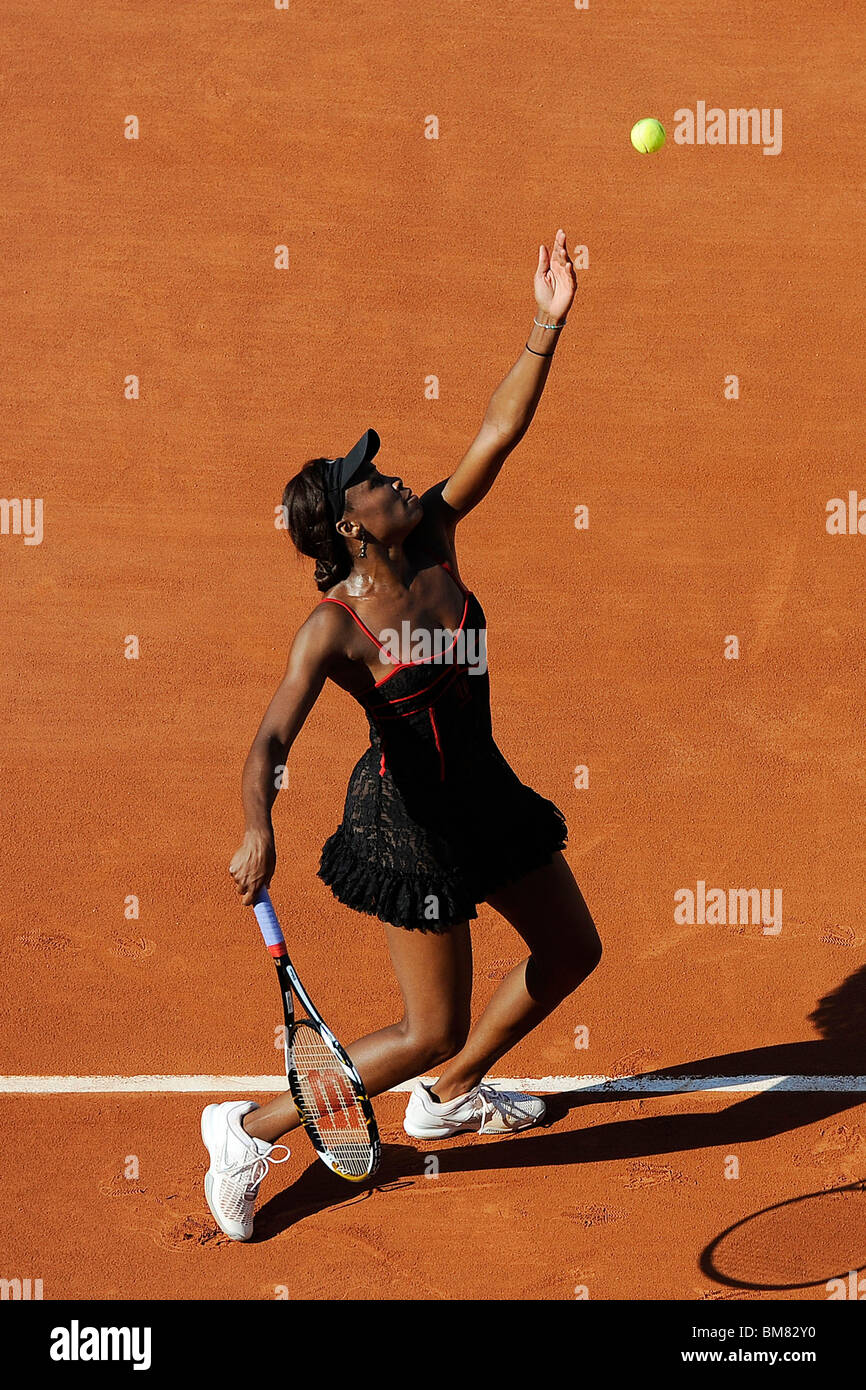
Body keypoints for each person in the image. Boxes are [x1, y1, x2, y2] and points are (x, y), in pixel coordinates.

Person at [203, 229, 602, 1240]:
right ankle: (246, 1128)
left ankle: (451, 1095)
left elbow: (496, 433)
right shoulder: (331, 629)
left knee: (568, 948)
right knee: (429, 1025)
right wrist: (259, 824)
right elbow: (265, 743)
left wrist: (545, 322)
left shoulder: (432, 534)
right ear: (348, 527)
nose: (393, 479)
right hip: (408, 823)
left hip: (484, 795)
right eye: (371, 483)